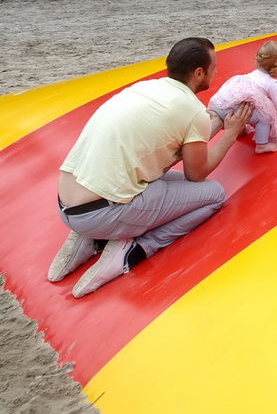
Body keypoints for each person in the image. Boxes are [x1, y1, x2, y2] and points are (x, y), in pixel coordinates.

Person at [47, 38, 253, 298]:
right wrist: (230, 134)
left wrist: (217, 123)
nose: (216, 72)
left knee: (163, 178)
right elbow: (196, 173)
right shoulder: (193, 112)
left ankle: (89, 239)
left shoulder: (142, 89)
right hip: (102, 214)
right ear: (199, 73)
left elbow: (174, 150)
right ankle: (134, 249)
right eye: (214, 67)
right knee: (213, 194)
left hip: (68, 204)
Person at [207, 40, 277, 154]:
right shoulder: (272, 83)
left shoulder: (254, 75)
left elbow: (262, 99)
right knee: (265, 118)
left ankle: (240, 132)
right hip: (230, 113)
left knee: (247, 109)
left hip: (219, 105)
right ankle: (261, 145)